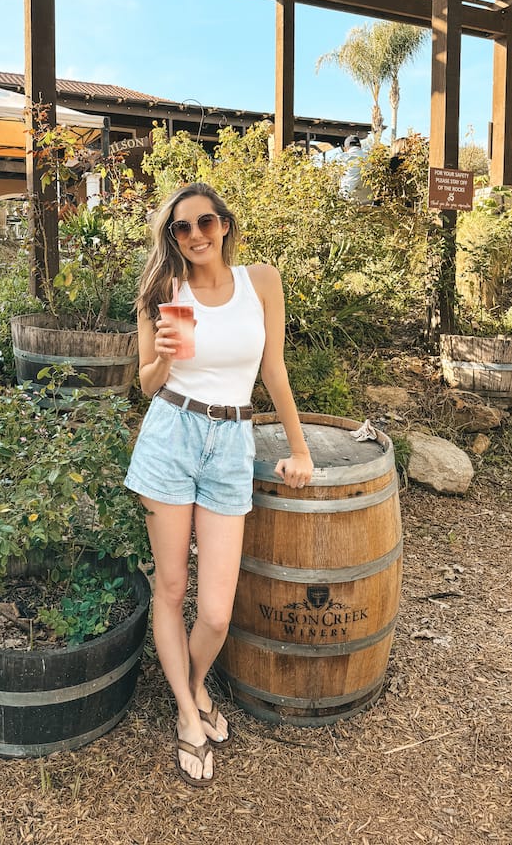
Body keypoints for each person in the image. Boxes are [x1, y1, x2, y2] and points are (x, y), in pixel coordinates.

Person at [124, 182, 313, 788]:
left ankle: (196, 680)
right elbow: (147, 384)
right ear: (173, 237)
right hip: (171, 435)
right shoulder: (164, 291)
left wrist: (299, 445)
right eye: (182, 228)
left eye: (206, 222)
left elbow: (273, 369)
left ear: (225, 225)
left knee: (215, 609)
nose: (196, 234)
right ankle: (186, 710)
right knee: (172, 587)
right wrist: (166, 358)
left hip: (232, 442)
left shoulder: (262, 283)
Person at [339, 134, 372, 203]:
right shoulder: (370, 157)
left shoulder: (342, 158)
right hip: (367, 200)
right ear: (360, 146)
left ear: (346, 148)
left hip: (347, 198)